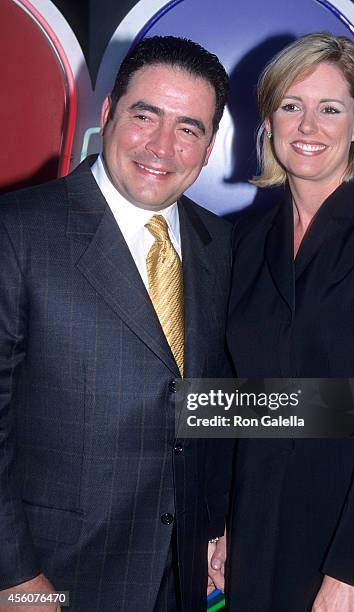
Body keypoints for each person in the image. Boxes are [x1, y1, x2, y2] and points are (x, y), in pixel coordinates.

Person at [0, 36, 231, 612]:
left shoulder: (221, 245)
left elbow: (211, 398)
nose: (162, 146)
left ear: (208, 147)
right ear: (107, 115)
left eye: (189, 128)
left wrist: (218, 522)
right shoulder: (18, 230)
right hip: (51, 580)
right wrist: (13, 579)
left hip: (180, 578)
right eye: (144, 115)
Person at [226, 33, 354, 611]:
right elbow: (231, 400)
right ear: (268, 120)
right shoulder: (242, 241)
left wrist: (353, 571)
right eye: (291, 106)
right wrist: (217, 522)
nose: (308, 126)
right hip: (261, 536)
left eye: (330, 108)